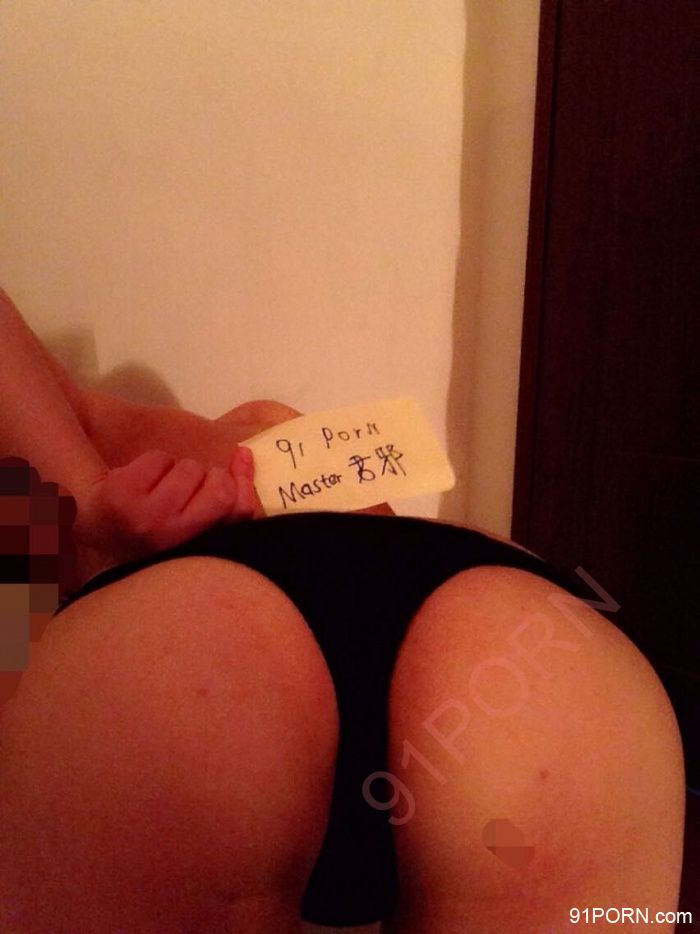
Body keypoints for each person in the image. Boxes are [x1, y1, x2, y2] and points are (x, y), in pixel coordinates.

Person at [0, 287, 686, 933]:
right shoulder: (240, 433)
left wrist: (86, 507)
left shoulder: (92, 460)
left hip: (193, 640)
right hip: (513, 626)